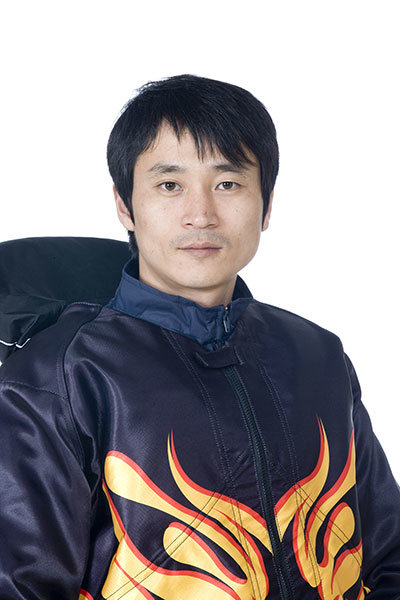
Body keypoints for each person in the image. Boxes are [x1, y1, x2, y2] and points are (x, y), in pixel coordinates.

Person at [0, 74, 399, 600]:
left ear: (267, 204)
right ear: (125, 205)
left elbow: (388, 556)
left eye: (228, 183)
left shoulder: (318, 355)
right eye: (170, 185)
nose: (201, 215)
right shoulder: (62, 379)